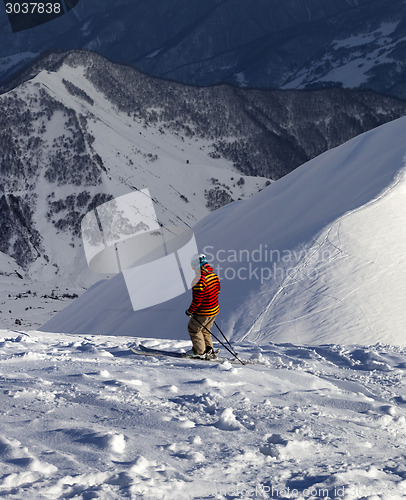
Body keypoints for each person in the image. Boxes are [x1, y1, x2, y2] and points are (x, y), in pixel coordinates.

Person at [185, 253, 220, 359]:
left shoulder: (198, 280)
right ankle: (209, 350)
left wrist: (190, 311)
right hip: (214, 310)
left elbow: (197, 300)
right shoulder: (214, 275)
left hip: (203, 311)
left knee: (194, 329)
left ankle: (199, 351)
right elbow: (218, 290)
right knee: (205, 330)